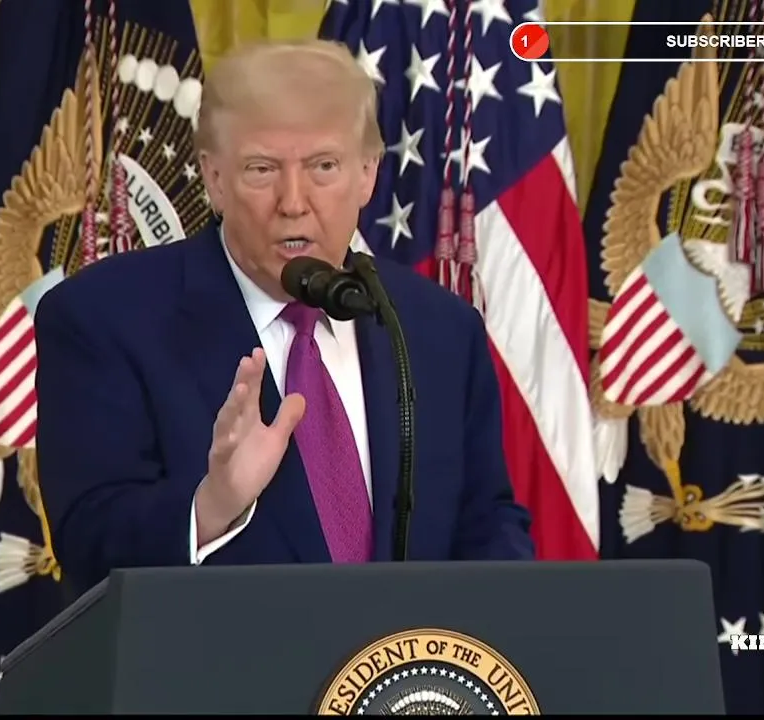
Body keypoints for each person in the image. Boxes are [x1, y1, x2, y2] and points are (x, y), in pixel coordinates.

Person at [35, 38, 534, 593]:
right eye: (261, 169)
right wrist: (212, 505)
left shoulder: (438, 329)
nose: (293, 202)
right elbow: (88, 542)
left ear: (367, 173)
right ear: (214, 179)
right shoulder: (105, 318)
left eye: (324, 166)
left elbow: (485, 522)